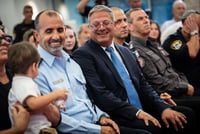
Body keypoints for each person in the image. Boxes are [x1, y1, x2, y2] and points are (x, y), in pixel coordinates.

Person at [72, 5, 197, 134]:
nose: (101, 28)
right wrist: (137, 113)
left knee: (184, 116)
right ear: (89, 27)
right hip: (117, 115)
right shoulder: (83, 55)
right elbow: (101, 95)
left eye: (106, 23)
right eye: (96, 24)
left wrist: (162, 108)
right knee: (154, 129)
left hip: (142, 108)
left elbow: (143, 85)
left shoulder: (125, 51)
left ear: (113, 25)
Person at [33, 9, 150, 134]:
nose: (56, 36)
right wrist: (97, 130)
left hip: (95, 123)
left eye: (60, 30)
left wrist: (101, 116)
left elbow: (86, 100)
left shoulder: (72, 63)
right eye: (49, 31)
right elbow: (57, 121)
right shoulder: (34, 70)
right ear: (36, 36)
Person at [7, 41, 68, 134]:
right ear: (34, 66)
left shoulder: (22, 82)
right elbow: (33, 104)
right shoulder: (22, 83)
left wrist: (55, 102)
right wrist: (55, 94)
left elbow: (37, 101)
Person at [162, 10, 200, 95]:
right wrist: (194, 32)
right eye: (195, 24)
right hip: (186, 88)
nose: (197, 28)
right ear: (184, 23)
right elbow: (192, 53)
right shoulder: (173, 40)